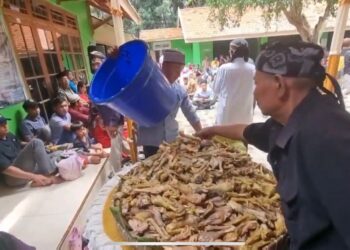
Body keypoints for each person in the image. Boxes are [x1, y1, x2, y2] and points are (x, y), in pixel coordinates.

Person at [196, 41, 350, 249]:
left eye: (257, 83)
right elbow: (248, 132)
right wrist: (212, 131)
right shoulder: (286, 123)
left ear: (279, 83)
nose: (254, 92)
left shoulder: (327, 137)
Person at [138, 49, 202, 158]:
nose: (178, 75)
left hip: (172, 141)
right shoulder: (146, 86)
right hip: (151, 143)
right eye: (176, 70)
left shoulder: (179, 90)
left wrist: (201, 133)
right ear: (164, 66)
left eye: (180, 71)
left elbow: (190, 113)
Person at [0, 115, 59, 187]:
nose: (5, 126)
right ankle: (48, 175)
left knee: (56, 155)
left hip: (23, 166)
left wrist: (41, 148)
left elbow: (20, 143)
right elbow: (7, 169)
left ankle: (48, 170)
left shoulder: (8, 135)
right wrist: (34, 176)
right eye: (1, 125)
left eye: (5, 123)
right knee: (36, 142)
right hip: (12, 177)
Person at [213, 38, 255, 125]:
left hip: (225, 117)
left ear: (232, 51)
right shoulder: (253, 69)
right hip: (245, 118)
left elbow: (215, 90)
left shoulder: (224, 68)